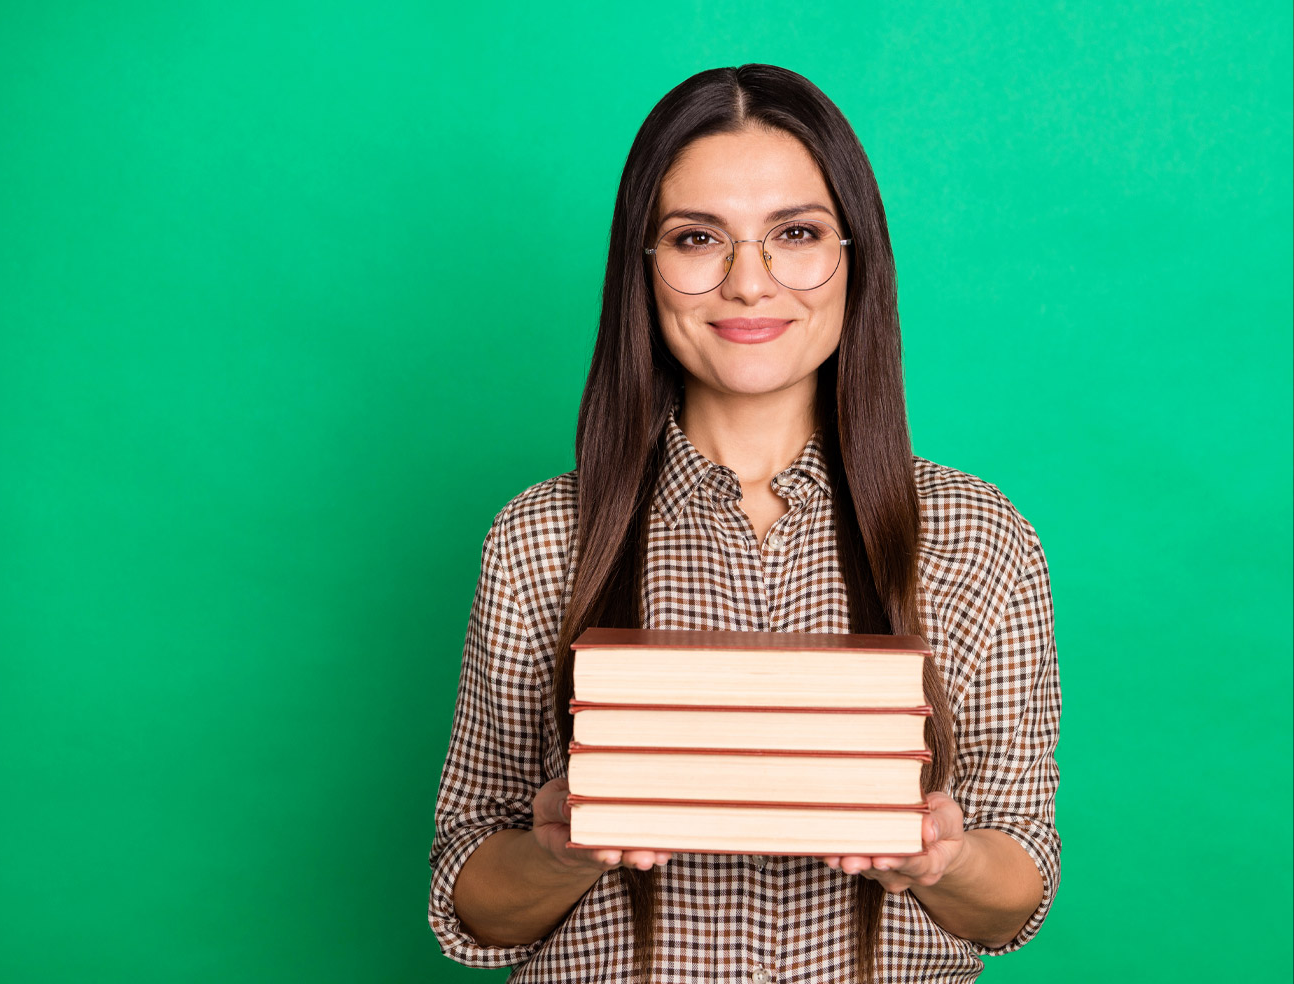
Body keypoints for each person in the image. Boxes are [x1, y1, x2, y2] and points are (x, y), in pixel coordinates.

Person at [425, 64, 1060, 983]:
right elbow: (471, 898)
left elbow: (1017, 891)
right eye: (697, 239)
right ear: (644, 269)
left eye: (795, 234)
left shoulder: (979, 536)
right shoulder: (540, 537)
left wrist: (946, 862)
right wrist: (556, 849)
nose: (750, 283)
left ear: (855, 255)